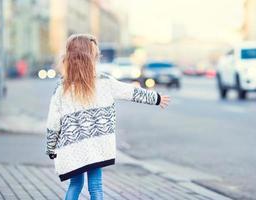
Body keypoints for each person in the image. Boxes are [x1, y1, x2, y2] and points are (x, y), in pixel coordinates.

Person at [45, 34, 170, 200]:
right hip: (97, 146)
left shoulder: (62, 89)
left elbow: (53, 123)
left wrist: (51, 147)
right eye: (95, 56)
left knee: (75, 185)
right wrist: (156, 98)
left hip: (72, 148)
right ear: (90, 59)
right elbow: (131, 92)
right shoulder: (104, 82)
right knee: (96, 186)